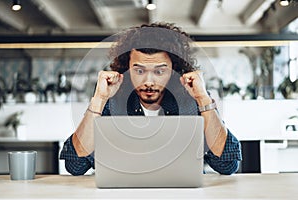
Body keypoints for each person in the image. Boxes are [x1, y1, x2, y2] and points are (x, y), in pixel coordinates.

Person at [60, 22, 242, 175]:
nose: (148, 81)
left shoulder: (193, 101)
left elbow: (227, 164)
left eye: (159, 71)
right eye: (139, 71)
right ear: (126, 68)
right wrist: (99, 99)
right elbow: (75, 165)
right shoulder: (112, 102)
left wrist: (203, 98)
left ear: (173, 70)